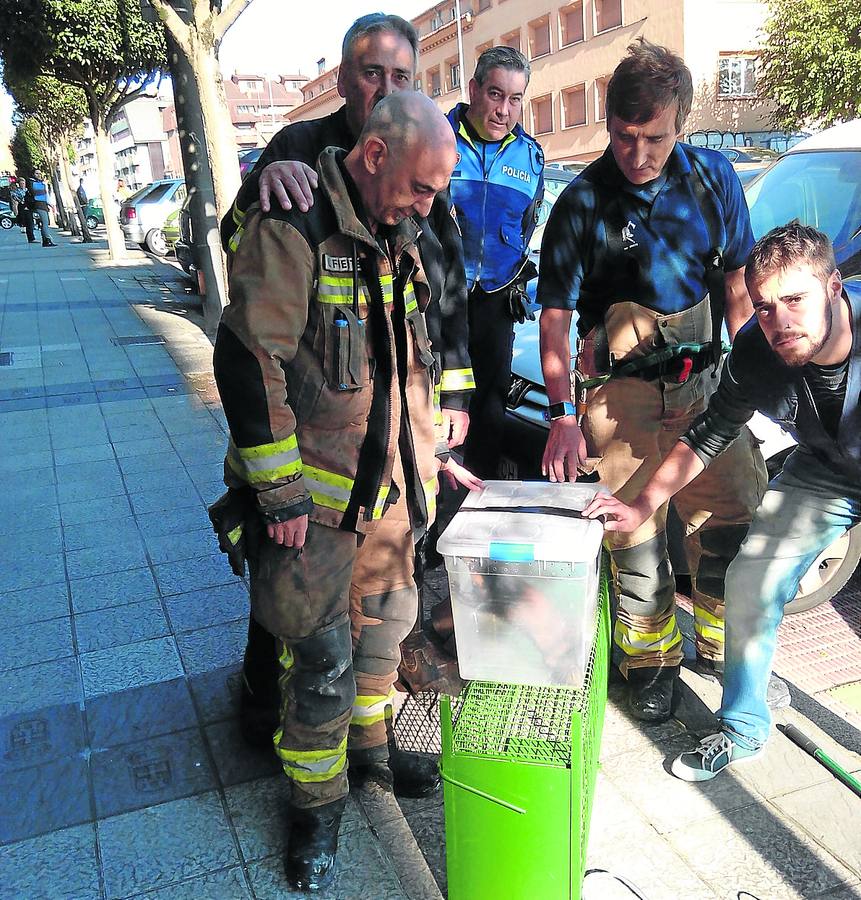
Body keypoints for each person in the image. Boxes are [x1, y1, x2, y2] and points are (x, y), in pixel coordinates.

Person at [212, 92, 460, 890]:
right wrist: (279, 493)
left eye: (436, 191)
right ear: (375, 155)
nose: (428, 206)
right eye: (420, 187)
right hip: (311, 511)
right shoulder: (295, 225)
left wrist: (430, 461)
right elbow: (248, 360)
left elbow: (410, 364)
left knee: (383, 637)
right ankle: (315, 811)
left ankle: (371, 753)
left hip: (388, 498)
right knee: (319, 663)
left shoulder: (401, 233)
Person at [221, 13, 476, 747]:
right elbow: (249, 322)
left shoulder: (420, 175)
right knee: (296, 629)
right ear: (343, 79)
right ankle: (273, 722)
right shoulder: (295, 156)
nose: (385, 87)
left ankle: (366, 745)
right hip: (313, 470)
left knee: (379, 616)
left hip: (383, 464)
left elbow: (440, 303)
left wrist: (446, 409)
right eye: (372, 73)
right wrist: (259, 187)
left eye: (401, 76)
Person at [537, 39, 767, 723]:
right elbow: (554, 318)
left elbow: (737, 282)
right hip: (621, 401)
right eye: (622, 136)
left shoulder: (712, 179)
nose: (636, 154)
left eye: (654, 138)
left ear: (681, 123)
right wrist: (561, 415)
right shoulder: (581, 202)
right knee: (632, 538)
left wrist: (751, 378)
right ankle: (650, 665)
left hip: (707, 389)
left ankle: (720, 645)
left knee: (731, 518)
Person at [583, 223, 860, 779]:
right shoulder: (759, 349)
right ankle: (742, 729)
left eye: (795, 300)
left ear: (834, 287)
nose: (780, 321)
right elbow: (709, 433)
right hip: (827, 470)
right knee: (748, 580)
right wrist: (641, 506)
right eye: (765, 307)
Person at [448, 46, 545, 480]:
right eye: (495, 94)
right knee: (439, 400)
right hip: (440, 297)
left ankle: (479, 494)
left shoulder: (531, 156)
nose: (504, 110)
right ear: (473, 90)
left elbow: (527, 225)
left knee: (489, 406)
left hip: (497, 296)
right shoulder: (438, 139)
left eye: (515, 99)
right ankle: (433, 497)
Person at [24, 174, 56, 247]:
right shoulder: (35, 183)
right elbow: (39, 195)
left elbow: (45, 196)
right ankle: (47, 239)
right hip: (39, 205)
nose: (39, 175)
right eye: (37, 173)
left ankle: (45, 240)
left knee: (44, 223)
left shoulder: (40, 183)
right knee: (45, 223)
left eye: (39, 173)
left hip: (43, 205)